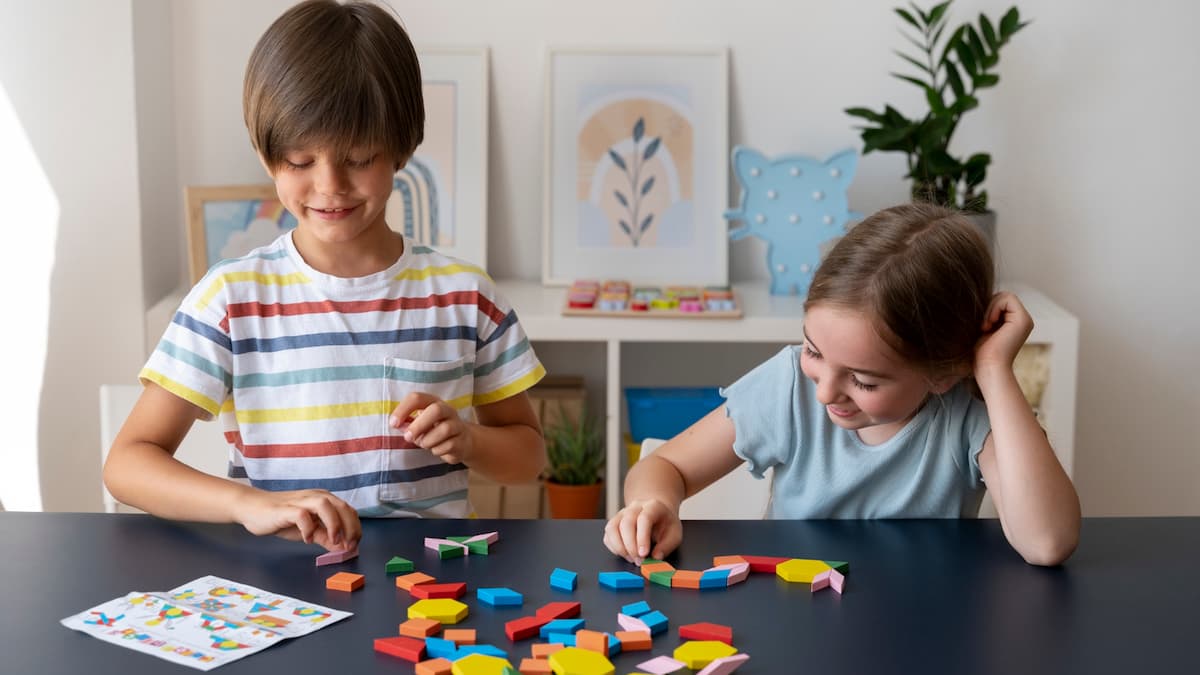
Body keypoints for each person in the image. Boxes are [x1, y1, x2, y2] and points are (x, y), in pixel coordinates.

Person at [104, 0, 546, 552]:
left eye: (359, 158)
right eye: (299, 160)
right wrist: (249, 505)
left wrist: (470, 440)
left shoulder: (466, 296)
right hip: (282, 589)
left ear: (402, 149)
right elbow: (128, 463)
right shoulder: (231, 299)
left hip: (431, 590)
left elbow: (528, 456)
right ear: (268, 156)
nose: (330, 185)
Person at [604, 203, 1081, 567]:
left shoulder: (967, 415)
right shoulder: (789, 384)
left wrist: (994, 369)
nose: (825, 392)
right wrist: (653, 504)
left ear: (943, 372)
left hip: (924, 632)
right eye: (814, 351)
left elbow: (1047, 541)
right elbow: (667, 466)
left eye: (862, 379)